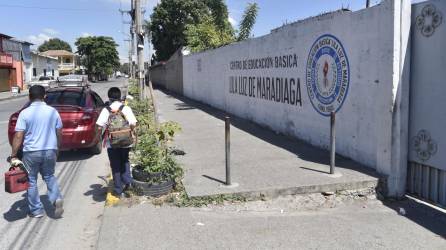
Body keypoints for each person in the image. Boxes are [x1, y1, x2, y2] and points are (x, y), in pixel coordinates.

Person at [11, 85, 64, 218]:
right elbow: (59, 132)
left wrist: (13, 155)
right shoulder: (53, 111)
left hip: (31, 153)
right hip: (50, 150)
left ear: (29, 97)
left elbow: (18, 136)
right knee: (49, 176)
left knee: (31, 180)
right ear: (44, 96)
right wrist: (57, 148)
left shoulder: (24, 113)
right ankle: (56, 198)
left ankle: (36, 210)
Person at [96, 87, 137, 198]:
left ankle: (118, 190)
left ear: (109, 97)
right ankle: (127, 183)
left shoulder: (106, 110)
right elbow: (133, 123)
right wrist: (129, 132)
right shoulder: (126, 108)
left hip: (111, 143)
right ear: (120, 97)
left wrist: (103, 133)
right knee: (125, 161)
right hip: (126, 141)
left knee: (115, 165)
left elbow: (99, 126)